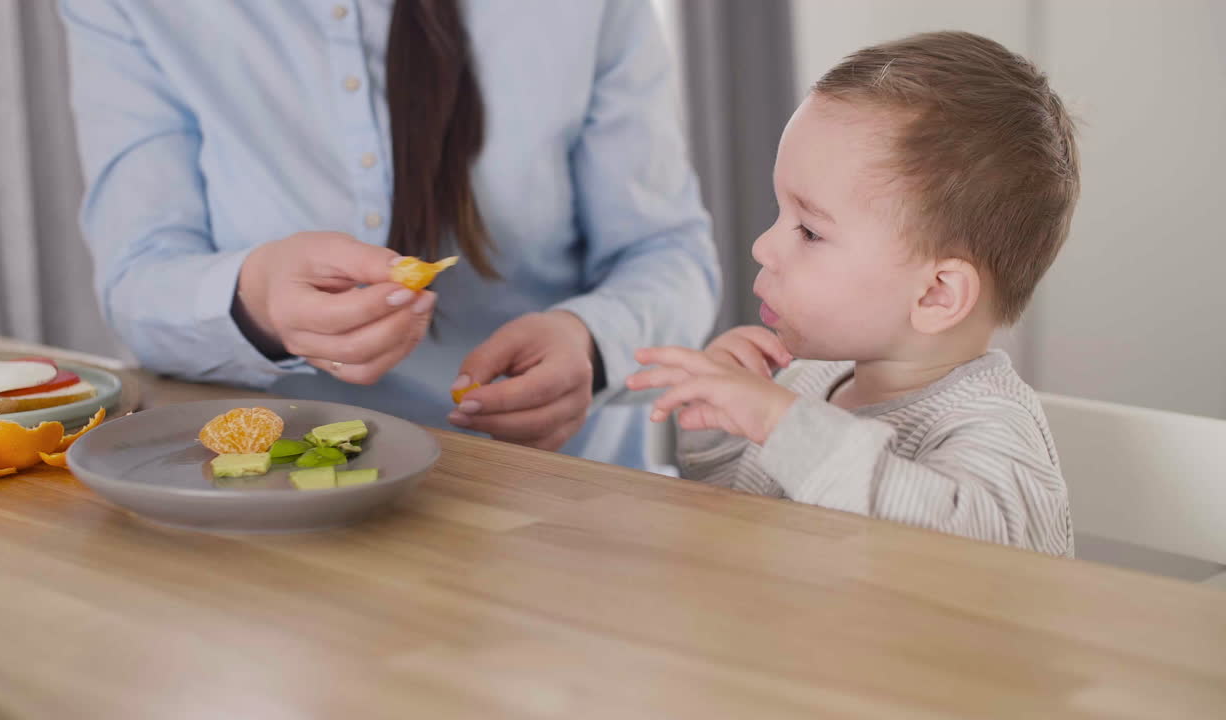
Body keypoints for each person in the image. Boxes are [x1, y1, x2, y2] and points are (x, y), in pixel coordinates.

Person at [59, 0, 720, 469]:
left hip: (558, 496)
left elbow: (668, 252)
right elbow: (139, 277)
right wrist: (253, 300)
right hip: (276, 499)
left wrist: (593, 345)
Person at [628, 31, 1078, 555]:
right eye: (782, 216)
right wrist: (721, 431)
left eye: (810, 231)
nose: (762, 246)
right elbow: (748, 532)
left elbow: (960, 558)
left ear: (935, 294)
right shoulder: (807, 382)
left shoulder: (990, 426)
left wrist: (779, 425)